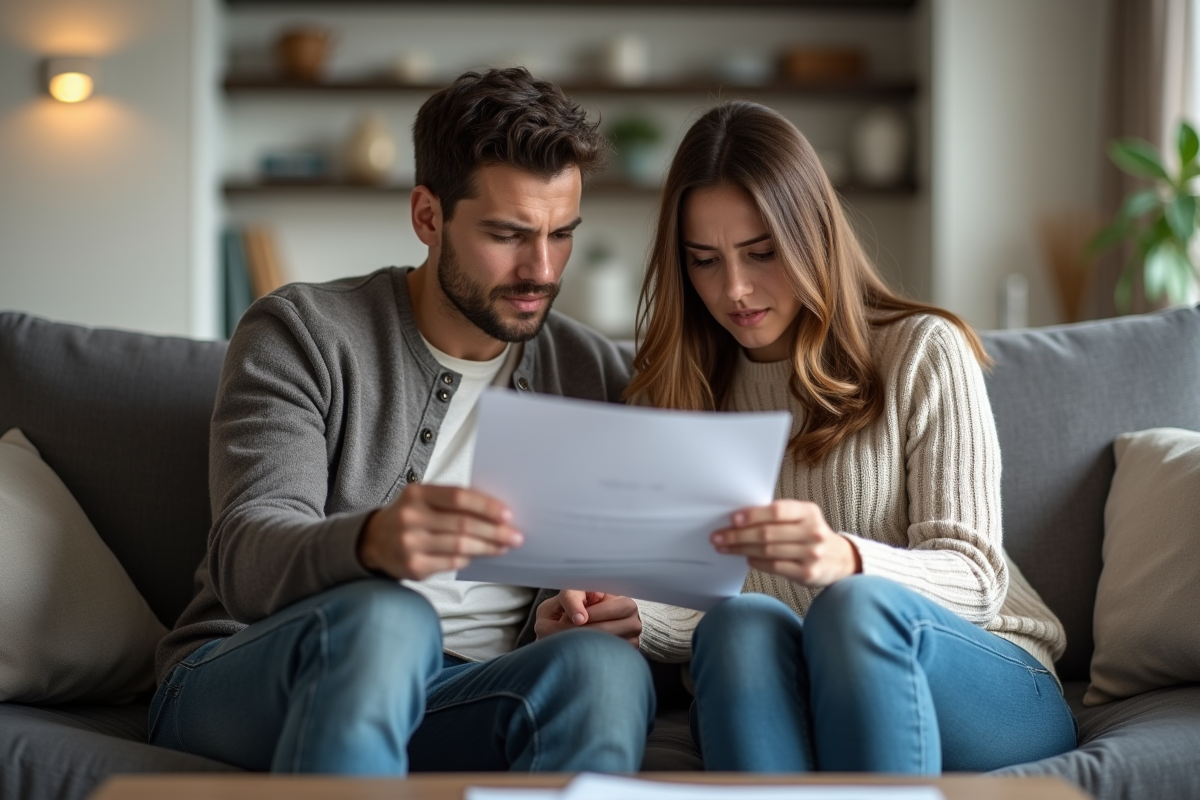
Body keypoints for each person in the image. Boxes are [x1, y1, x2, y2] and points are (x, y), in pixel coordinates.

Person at [149, 68, 681, 775]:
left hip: (470, 692)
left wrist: (585, 611)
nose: (541, 270)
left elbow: (630, 575)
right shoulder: (303, 331)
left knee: (600, 668)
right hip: (257, 672)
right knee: (389, 619)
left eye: (562, 235)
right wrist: (373, 542)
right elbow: (246, 557)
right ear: (428, 216)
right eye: (508, 234)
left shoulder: (596, 375)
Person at [623, 100, 1077, 773]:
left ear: (811, 236)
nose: (736, 289)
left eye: (761, 253)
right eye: (704, 260)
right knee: (737, 625)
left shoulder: (923, 350)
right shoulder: (677, 389)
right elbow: (702, 595)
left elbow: (978, 578)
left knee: (853, 606)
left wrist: (845, 559)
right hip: (806, 684)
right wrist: (632, 613)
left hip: (987, 681)